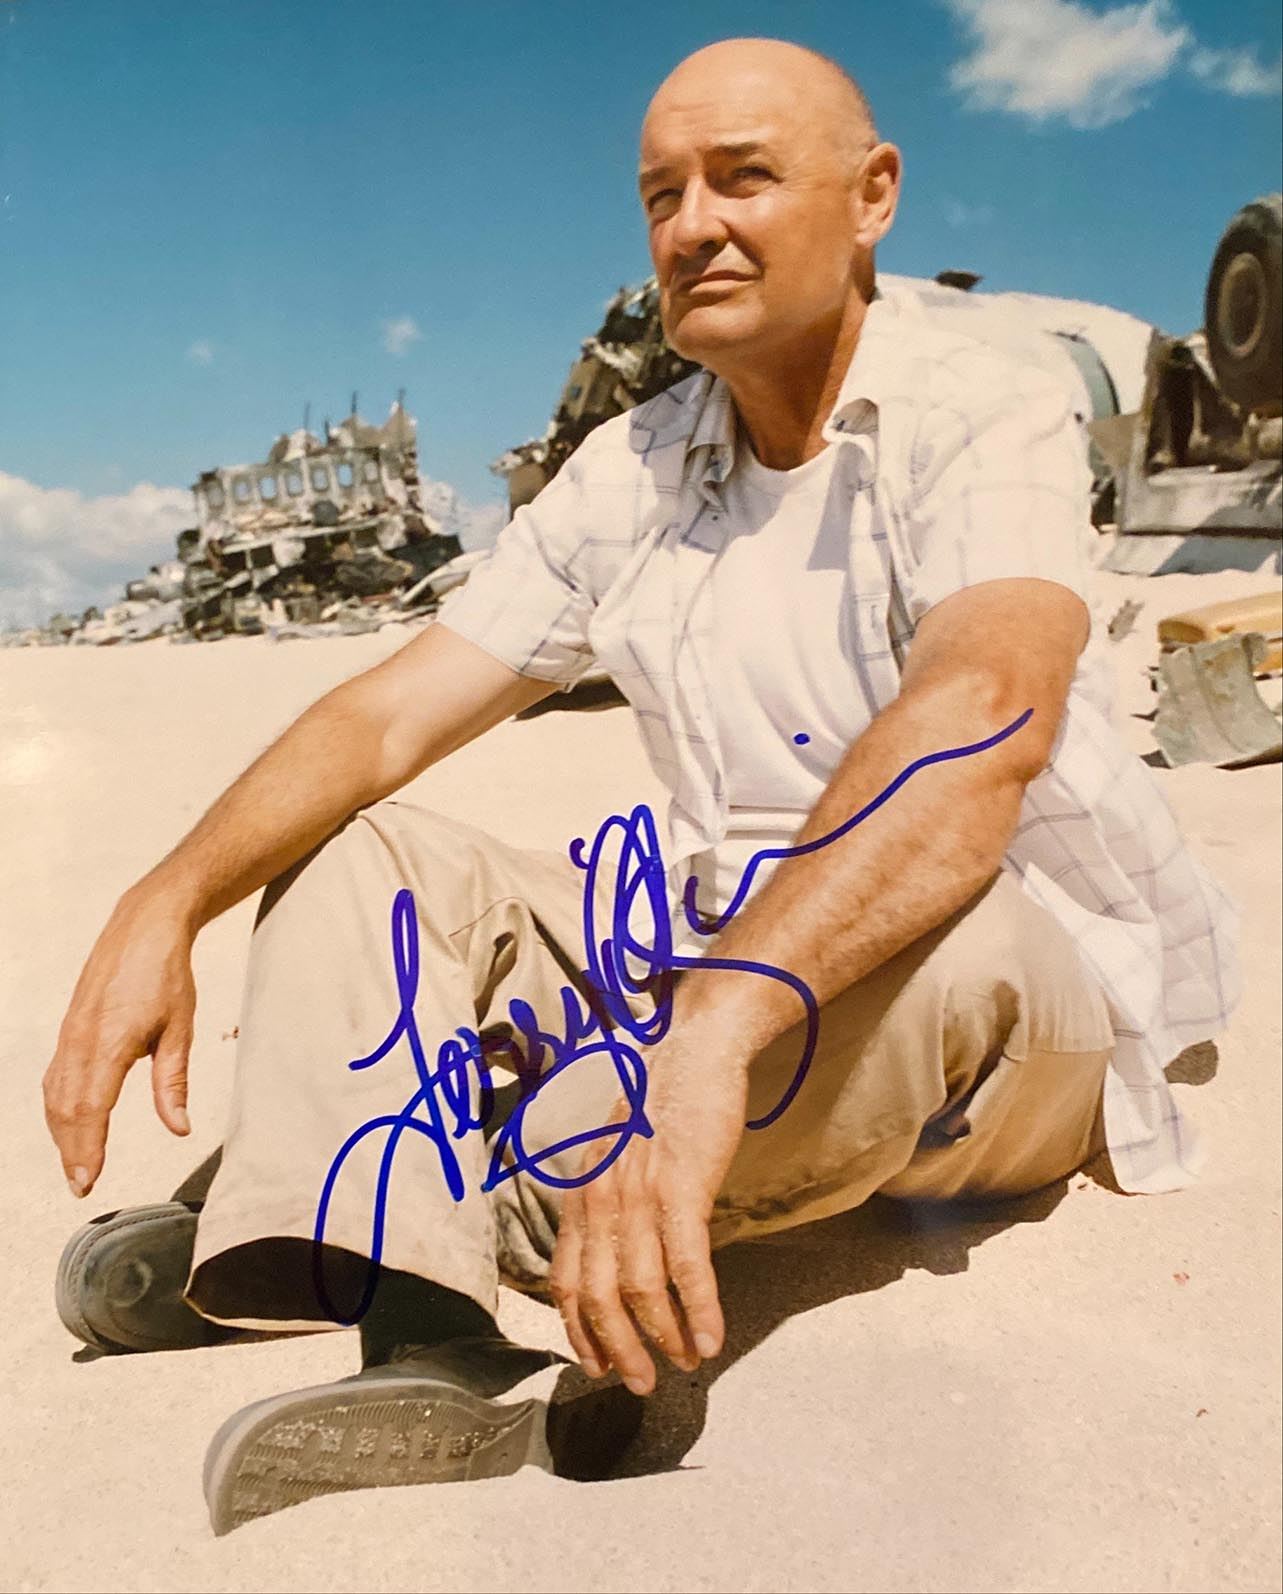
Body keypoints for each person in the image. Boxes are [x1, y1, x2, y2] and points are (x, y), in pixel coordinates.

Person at [43, 37, 1238, 1535]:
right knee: (372, 853)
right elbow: (386, 717)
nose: (694, 227)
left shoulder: (977, 403)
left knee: (925, 934)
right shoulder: (639, 466)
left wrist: (712, 1028)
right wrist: (164, 901)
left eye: (745, 178)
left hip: (1006, 988)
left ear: (873, 197)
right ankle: (422, 1320)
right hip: (721, 963)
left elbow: (980, 717)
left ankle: (344, 1200)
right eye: (662, 194)